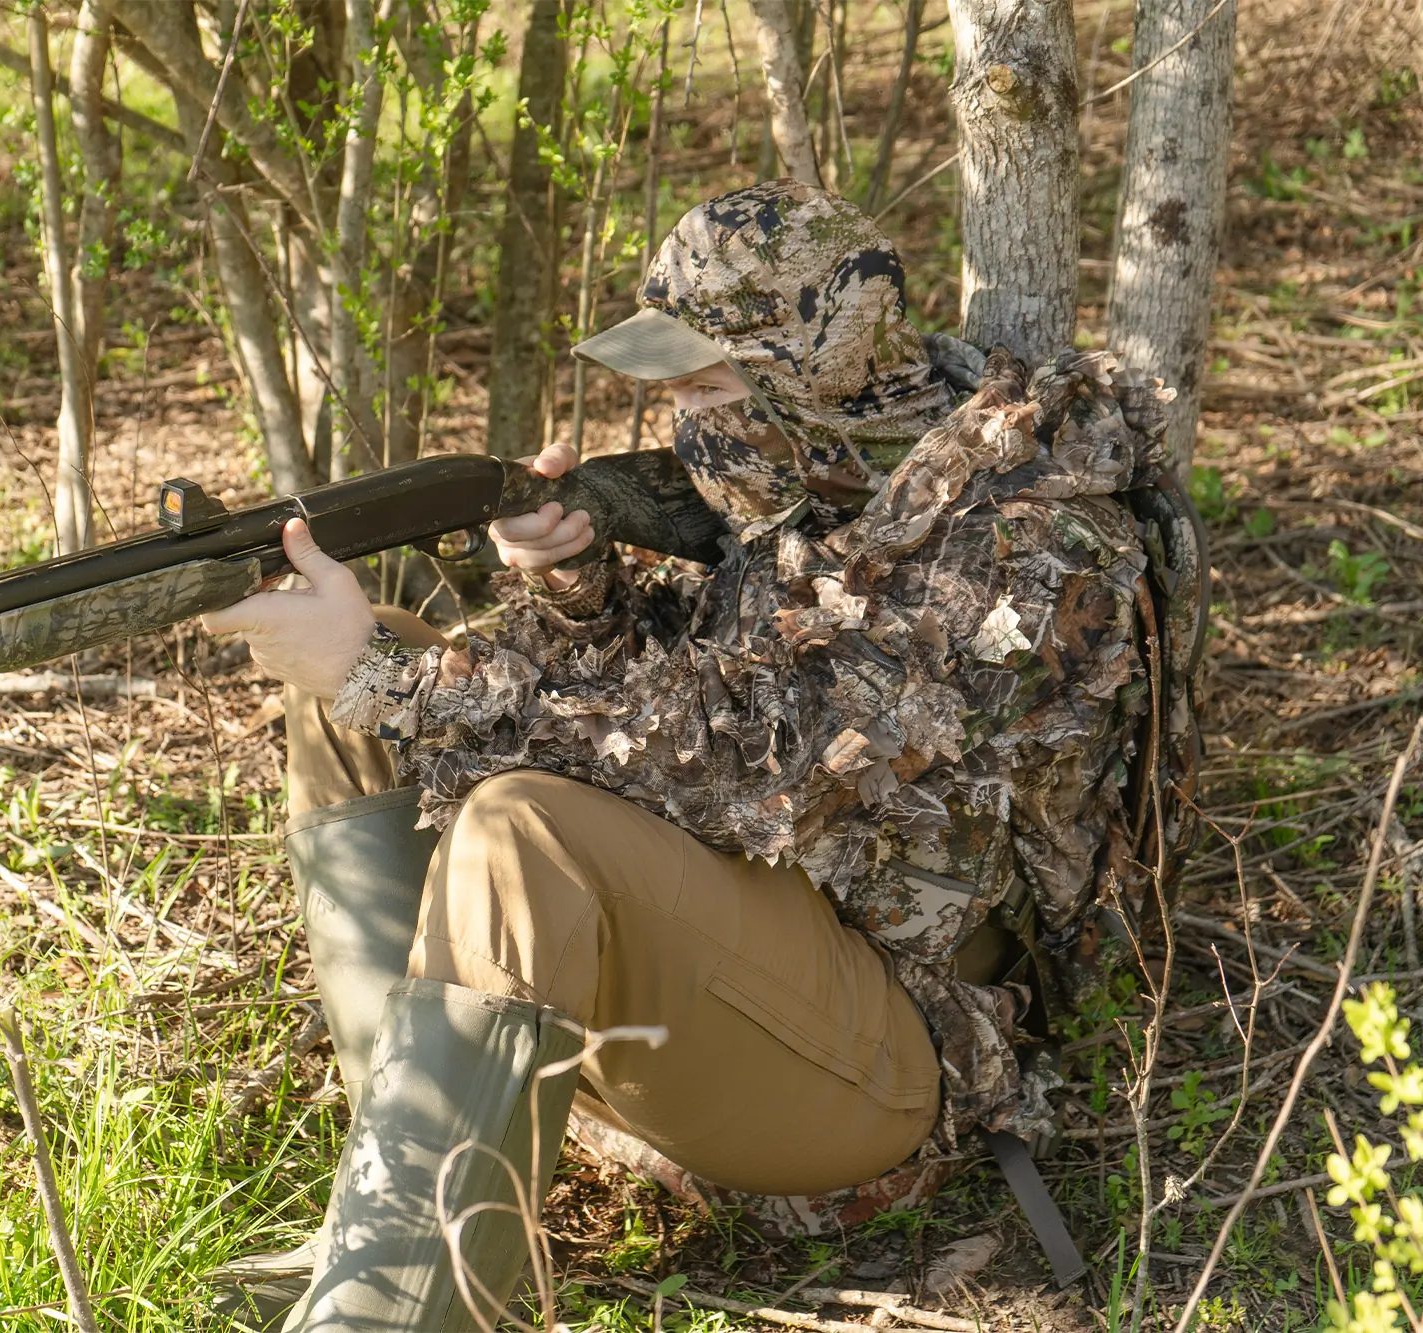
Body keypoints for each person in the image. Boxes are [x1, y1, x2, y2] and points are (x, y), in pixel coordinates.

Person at [201, 180, 1194, 1332]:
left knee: (510, 817)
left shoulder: (1018, 544)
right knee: (367, 686)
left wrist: (387, 682)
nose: (680, 418)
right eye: (667, 387)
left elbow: (731, 772)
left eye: (704, 384)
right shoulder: (812, 476)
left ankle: (389, 1314)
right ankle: (386, 1217)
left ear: (813, 369)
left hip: (879, 1054)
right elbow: (682, 690)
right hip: (745, 955)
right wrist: (571, 588)